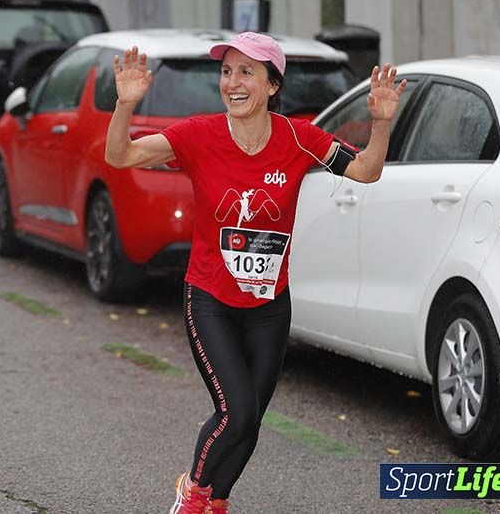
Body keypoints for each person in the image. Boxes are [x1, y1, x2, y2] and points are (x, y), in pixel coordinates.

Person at [103, 32, 407, 514]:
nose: (233, 82)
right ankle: (194, 493)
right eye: (226, 72)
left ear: (272, 84)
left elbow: (366, 171)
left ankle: (216, 504)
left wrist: (381, 123)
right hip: (210, 299)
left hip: (268, 307)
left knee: (250, 424)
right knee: (236, 411)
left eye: (247, 72)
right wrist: (125, 106)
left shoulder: (299, 138)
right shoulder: (197, 134)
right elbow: (120, 156)